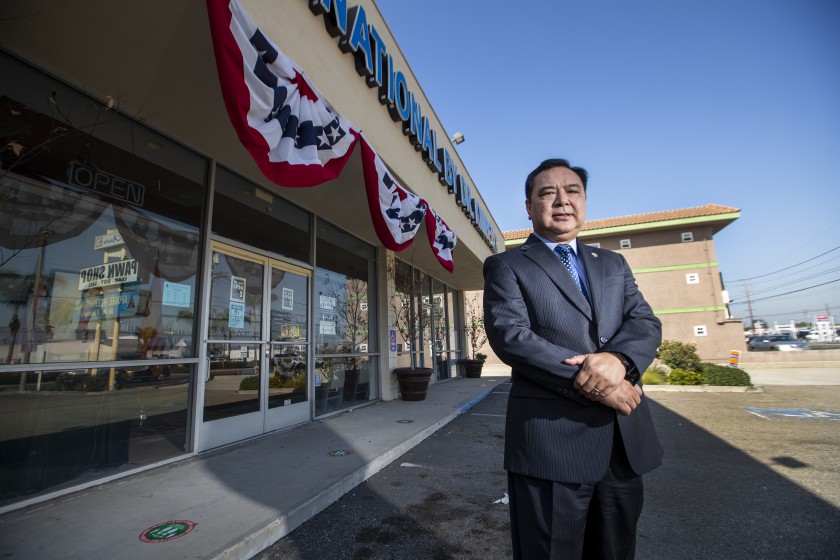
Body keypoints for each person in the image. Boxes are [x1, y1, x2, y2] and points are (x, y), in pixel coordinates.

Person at [483, 158, 663, 559]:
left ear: (584, 202)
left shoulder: (612, 263)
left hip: (622, 440)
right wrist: (600, 387)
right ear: (529, 207)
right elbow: (512, 337)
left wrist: (619, 361)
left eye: (572, 191)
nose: (562, 200)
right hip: (552, 444)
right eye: (547, 193)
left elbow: (644, 321)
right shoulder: (507, 266)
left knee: (616, 550)